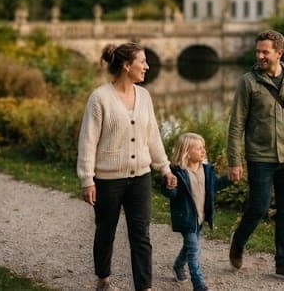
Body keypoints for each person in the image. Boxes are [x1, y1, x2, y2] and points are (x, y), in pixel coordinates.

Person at [77, 42, 178, 291]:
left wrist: (164, 168)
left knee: (141, 235)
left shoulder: (144, 96)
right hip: (108, 179)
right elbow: (88, 140)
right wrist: (87, 179)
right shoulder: (100, 98)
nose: (146, 66)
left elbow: (152, 136)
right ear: (126, 65)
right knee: (105, 231)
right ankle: (103, 277)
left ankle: (144, 287)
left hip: (140, 177)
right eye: (142, 61)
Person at [226, 29, 284, 283]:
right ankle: (238, 242)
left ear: (279, 52)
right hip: (259, 157)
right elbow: (236, 124)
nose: (260, 56)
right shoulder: (248, 81)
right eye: (258, 51)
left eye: (265, 51)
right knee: (259, 206)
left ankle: (283, 263)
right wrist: (234, 160)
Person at [160, 132, 231, 291]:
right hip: (186, 218)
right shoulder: (177, 172)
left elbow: (215, 186)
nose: (203, 151)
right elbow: (171, 194)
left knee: (189, 246)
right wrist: (169, 186)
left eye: (203, 148)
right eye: (199, 148)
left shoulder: (206, 170)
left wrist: (229, 178)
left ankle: (178, 266)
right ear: (186, 151)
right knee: (193, 249)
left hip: (200, 217)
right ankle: (198, 283)